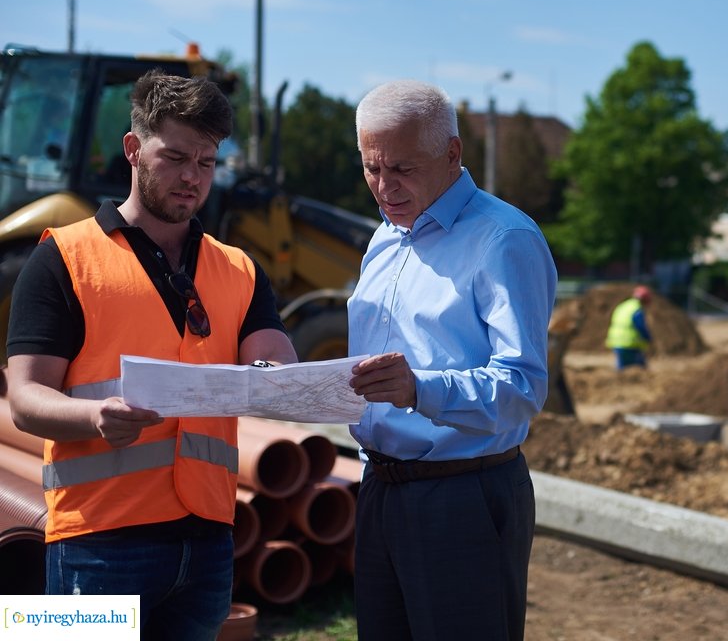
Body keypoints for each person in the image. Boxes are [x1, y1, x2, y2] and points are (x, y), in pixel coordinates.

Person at [5, 69, 298, 641]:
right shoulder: (63, 258)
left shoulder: (238, 269)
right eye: (176, 157)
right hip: (98, 543)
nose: (192, 177)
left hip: (207, 546)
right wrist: (94, 416)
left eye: (208, 162)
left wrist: (282, 378)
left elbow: (273, 358)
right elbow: (24, 398)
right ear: (134, 150)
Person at [346, 79, 557, 641]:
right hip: (380, 490)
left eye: (403, 169)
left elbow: (521, 387)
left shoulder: (504, 239)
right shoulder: (386, 237)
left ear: (453, 154)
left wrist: (420, 389)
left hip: (463, 497)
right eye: (371, 168)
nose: (385, 187)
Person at [606, 285, 653, 370]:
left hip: (615, 340)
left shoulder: (624, 305)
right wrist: (648, 338)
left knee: (622, 366)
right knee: (640, 367)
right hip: (629, 343)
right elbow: (640, 326)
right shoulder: (636, 309)